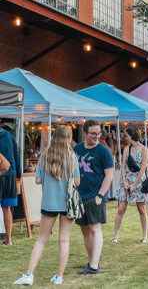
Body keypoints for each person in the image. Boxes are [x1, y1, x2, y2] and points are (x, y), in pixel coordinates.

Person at [13, 126, 80, 285]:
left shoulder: (44, 156)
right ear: (68, 138)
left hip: (49, 203)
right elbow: (77, 182)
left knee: (41, 240)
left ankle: (29, 274)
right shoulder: (72, 156)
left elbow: (37, 180)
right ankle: (59, 277)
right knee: (64, 240)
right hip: (67, 204)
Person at [74, 120, 114, 275]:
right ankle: (91, 261)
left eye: (99, 133)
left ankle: (94, 266)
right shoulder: (76, 149)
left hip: (96, 195)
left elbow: (109, 175)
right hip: (79, 195)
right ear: (85, 133)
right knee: (84, 229)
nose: (97, 136)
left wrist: (100, 195)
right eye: (93, 133)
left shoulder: (104, 151)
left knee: (94, 228)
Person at [112, 127, 148, 243]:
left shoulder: (144, 149)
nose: (124, 137)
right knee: (120, 209)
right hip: (127, 180)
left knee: (142, 209)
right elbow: (123, 166)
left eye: (126, 135)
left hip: (139, 180)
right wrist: (124, 182)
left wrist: (134, 184)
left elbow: (143, 168)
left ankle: (145, 237)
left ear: (132, 135)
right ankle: (115, 236)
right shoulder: (126, 149)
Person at [0, 127, 21, 245]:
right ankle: (9, 240)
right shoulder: (8, 135)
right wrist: (18, 172)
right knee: (7, 208)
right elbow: (16, 153)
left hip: (3, 171)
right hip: (10, 173)